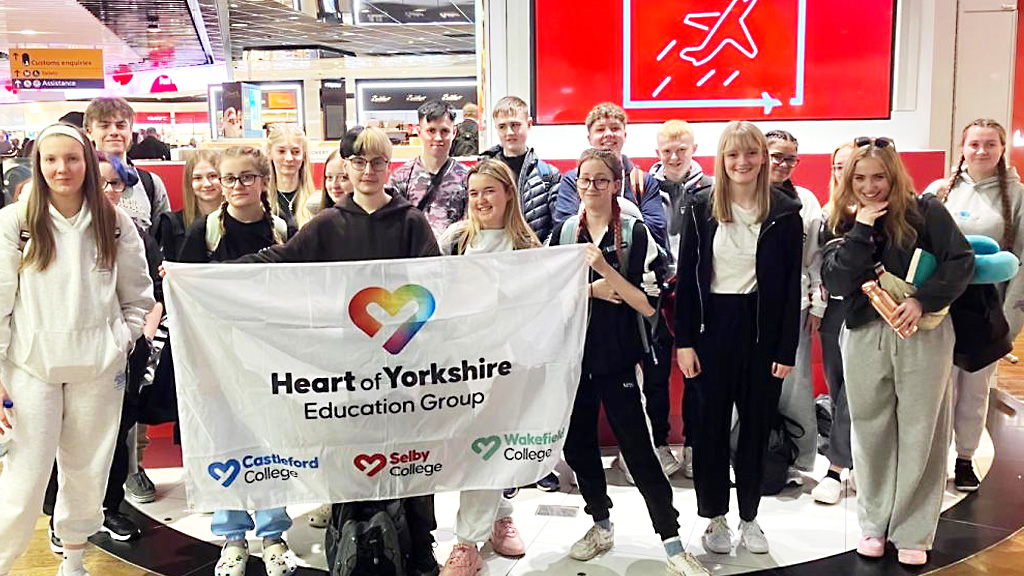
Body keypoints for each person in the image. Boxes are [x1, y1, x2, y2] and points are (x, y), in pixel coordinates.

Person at [234, 127, 442, 576]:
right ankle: (353, 535)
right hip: (346, 368)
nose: (369, 172)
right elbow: (280, 261)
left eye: (378, 163)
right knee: (353, 451)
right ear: (344, 166)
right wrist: (205, 276)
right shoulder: (326, 225)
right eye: (359, 162)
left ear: (391, 167)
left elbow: (439, 283)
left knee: (409, 451)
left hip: (401, 365)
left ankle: (419, 539)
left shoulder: (411, 222)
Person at [0, 123, 154, 576]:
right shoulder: (17, 222)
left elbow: (137, 296)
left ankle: (73, 560)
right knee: (24, 477)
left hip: (97, 367)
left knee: (88, 468)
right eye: (50, 159)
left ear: (87, 162)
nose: (61, 168)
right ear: (37, 164)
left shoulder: (114, 222)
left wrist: (121, 340)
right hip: (30, 367)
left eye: (71, 158)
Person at [550, 148, 708, 576]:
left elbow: (646, 303)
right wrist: (592, 291)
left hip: (618, 358)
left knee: (638, 452)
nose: (591, 188)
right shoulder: (565, 232)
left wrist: (605, 270)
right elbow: (549, 294)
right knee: (578, 447)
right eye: (584, 180)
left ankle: (673, 543)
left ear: (617, 184)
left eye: (601, 180)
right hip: (574, 359)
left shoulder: (636, 234)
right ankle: (600, 524)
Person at [822, 136, 973, 566]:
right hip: (865, 332)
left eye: (879, 177)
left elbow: (960, 262)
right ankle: (873, 524)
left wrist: (922, 298)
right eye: (860, 178)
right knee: (868, 430)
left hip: (922, 332)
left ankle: (913, 530)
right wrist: (862, 228)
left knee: (922, 429)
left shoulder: (927, 212)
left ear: (895, 174)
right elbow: (836, 283)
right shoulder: (841, 220)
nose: (870, 187)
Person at [675, 121, 802, 556]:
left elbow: (789, 289)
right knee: (709, 428)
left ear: (763, 158)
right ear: (722, 160)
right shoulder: (700, 207)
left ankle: (749, 516)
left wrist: (786, 348)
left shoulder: (784, 212)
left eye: (750, 154)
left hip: (761, 332)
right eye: (733, 155)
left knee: (755, 428)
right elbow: (689, 280)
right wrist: (685, 340)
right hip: (713, 328)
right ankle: (715, 518)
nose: (742, 162)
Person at [178, 147, 296, 576]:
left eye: (247, 178)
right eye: (230, 179)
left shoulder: (283, 230)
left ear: (264, 181)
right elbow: (185, 296)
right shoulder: (203, 232)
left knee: (271, 443)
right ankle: (231, 534)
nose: (238, 187)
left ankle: (273, 532)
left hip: (268, 357)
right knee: (223, 440)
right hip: (217, 357)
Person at [41, 151, 165, 549]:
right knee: (63, 435)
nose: (107, 190)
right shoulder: (47, 230)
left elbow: (147, 293)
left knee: (114, 432)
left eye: (115, 183)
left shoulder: (129, 231)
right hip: (60, 354)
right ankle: (61, 515)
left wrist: (133, 337)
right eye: (100, 181)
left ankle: (108, 506)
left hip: (119, 354)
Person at [434, 159, 537, 575]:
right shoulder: (456, 240)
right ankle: (483, 527)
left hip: (512, 365)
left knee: (496, 448)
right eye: (474, 193)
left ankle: (474, 536)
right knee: (473, 451)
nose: (481, 200)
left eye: (489, 191)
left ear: (508, 193)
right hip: (464, 365)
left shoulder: (528, 247)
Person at [924, 118, 1024, 492]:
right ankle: (934, 460)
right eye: (974, 144)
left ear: (1002, 149)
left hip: (986, 309)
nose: (982, 151)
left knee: (975, 389)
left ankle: (965, 458)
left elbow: (1023, 261)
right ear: (962, 148)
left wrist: (1012, 317)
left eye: (990, 144)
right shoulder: (938, 192)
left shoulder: (1018, 196)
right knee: (937, 388)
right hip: (942, 306)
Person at [645, 119, 715, 481]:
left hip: (697, 293)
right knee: (655, 374)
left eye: (681, 150)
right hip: (655, 291)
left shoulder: (712, 189)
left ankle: (694, 445)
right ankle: (658, 444)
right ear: (658, 152)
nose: (674, 157)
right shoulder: (643, 186)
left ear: (694, 150)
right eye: (667, 151)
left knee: (696, 373)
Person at [765, 130, 825, 480]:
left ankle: (801, 459)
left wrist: (817, 305)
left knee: (796, 383)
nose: (783, 164)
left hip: (797, 304)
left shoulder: (807, 201)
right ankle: (749, 451)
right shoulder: (746, 196)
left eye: (790, 158)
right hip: (751, 306)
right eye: (777, 156)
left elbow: (815, 259)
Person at [553, 102, 669, 251]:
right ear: (589, 138)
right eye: (600, 129)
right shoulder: (571, 180)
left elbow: (656, 230)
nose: (608, 134)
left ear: (625, 135)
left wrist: (617, 237)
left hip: (630, 262)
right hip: (585, 261)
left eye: (615, 128)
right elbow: (565, 228)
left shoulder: (642, 181)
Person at [811, 142, 858, 505]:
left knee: (858, 394)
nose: (845, 174)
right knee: (838, 388)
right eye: (838, 166)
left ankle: (837, 466)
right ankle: (846, 459)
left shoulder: (892, 212)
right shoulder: (829, 215)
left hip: (874, 314)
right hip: (834, 312)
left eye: (852, 166)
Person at [479, 95, 561, 243]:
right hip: (494, 255)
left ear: (528, 124)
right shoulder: (483, 174)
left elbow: (556, 225)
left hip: (534, 257)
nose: (509, 132)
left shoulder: (548, 175)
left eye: (515, 125)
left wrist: (542, 251)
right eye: (502, 126)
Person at [84, 98, 171, 233]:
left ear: (130, 132)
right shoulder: (80, 181)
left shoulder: (150, 184)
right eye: (104, 125)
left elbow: (160, 240)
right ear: (89, 133)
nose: (114, 132)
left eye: (120, 126)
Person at [388, 100, 470, 240]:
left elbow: (471, 225)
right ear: (419, 132)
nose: (438, 138)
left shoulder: (468, 178)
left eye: (445, 131)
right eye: (431, 131)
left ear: (454, 132)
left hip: (453, 257)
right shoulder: (401, 178)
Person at [154, 149, 222, 262]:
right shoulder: (172, 223)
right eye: (198, 178)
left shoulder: (237, 222)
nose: (206, 184)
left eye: (212, 176)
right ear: (189, 183)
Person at [266, 123, 317, 233]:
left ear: (303, 156)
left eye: (295, 152)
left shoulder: (316, 202)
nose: (289, 158)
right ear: (270, 153)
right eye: (281, 151)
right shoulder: (260, 202)